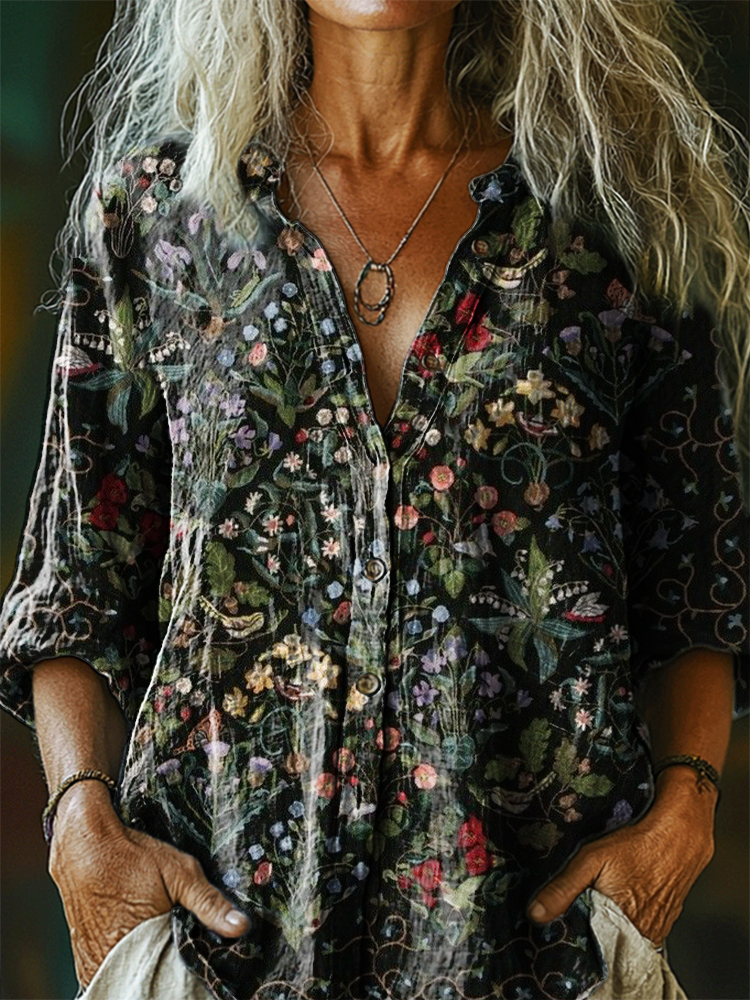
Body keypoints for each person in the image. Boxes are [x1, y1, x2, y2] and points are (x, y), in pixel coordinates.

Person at [0, 1, 749, 998]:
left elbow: (694, 588)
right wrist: (81, 820)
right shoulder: (158, 216)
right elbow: (77, 590)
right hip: (219, 958)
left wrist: (688, 806)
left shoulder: (610, 218)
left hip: (541, 959)